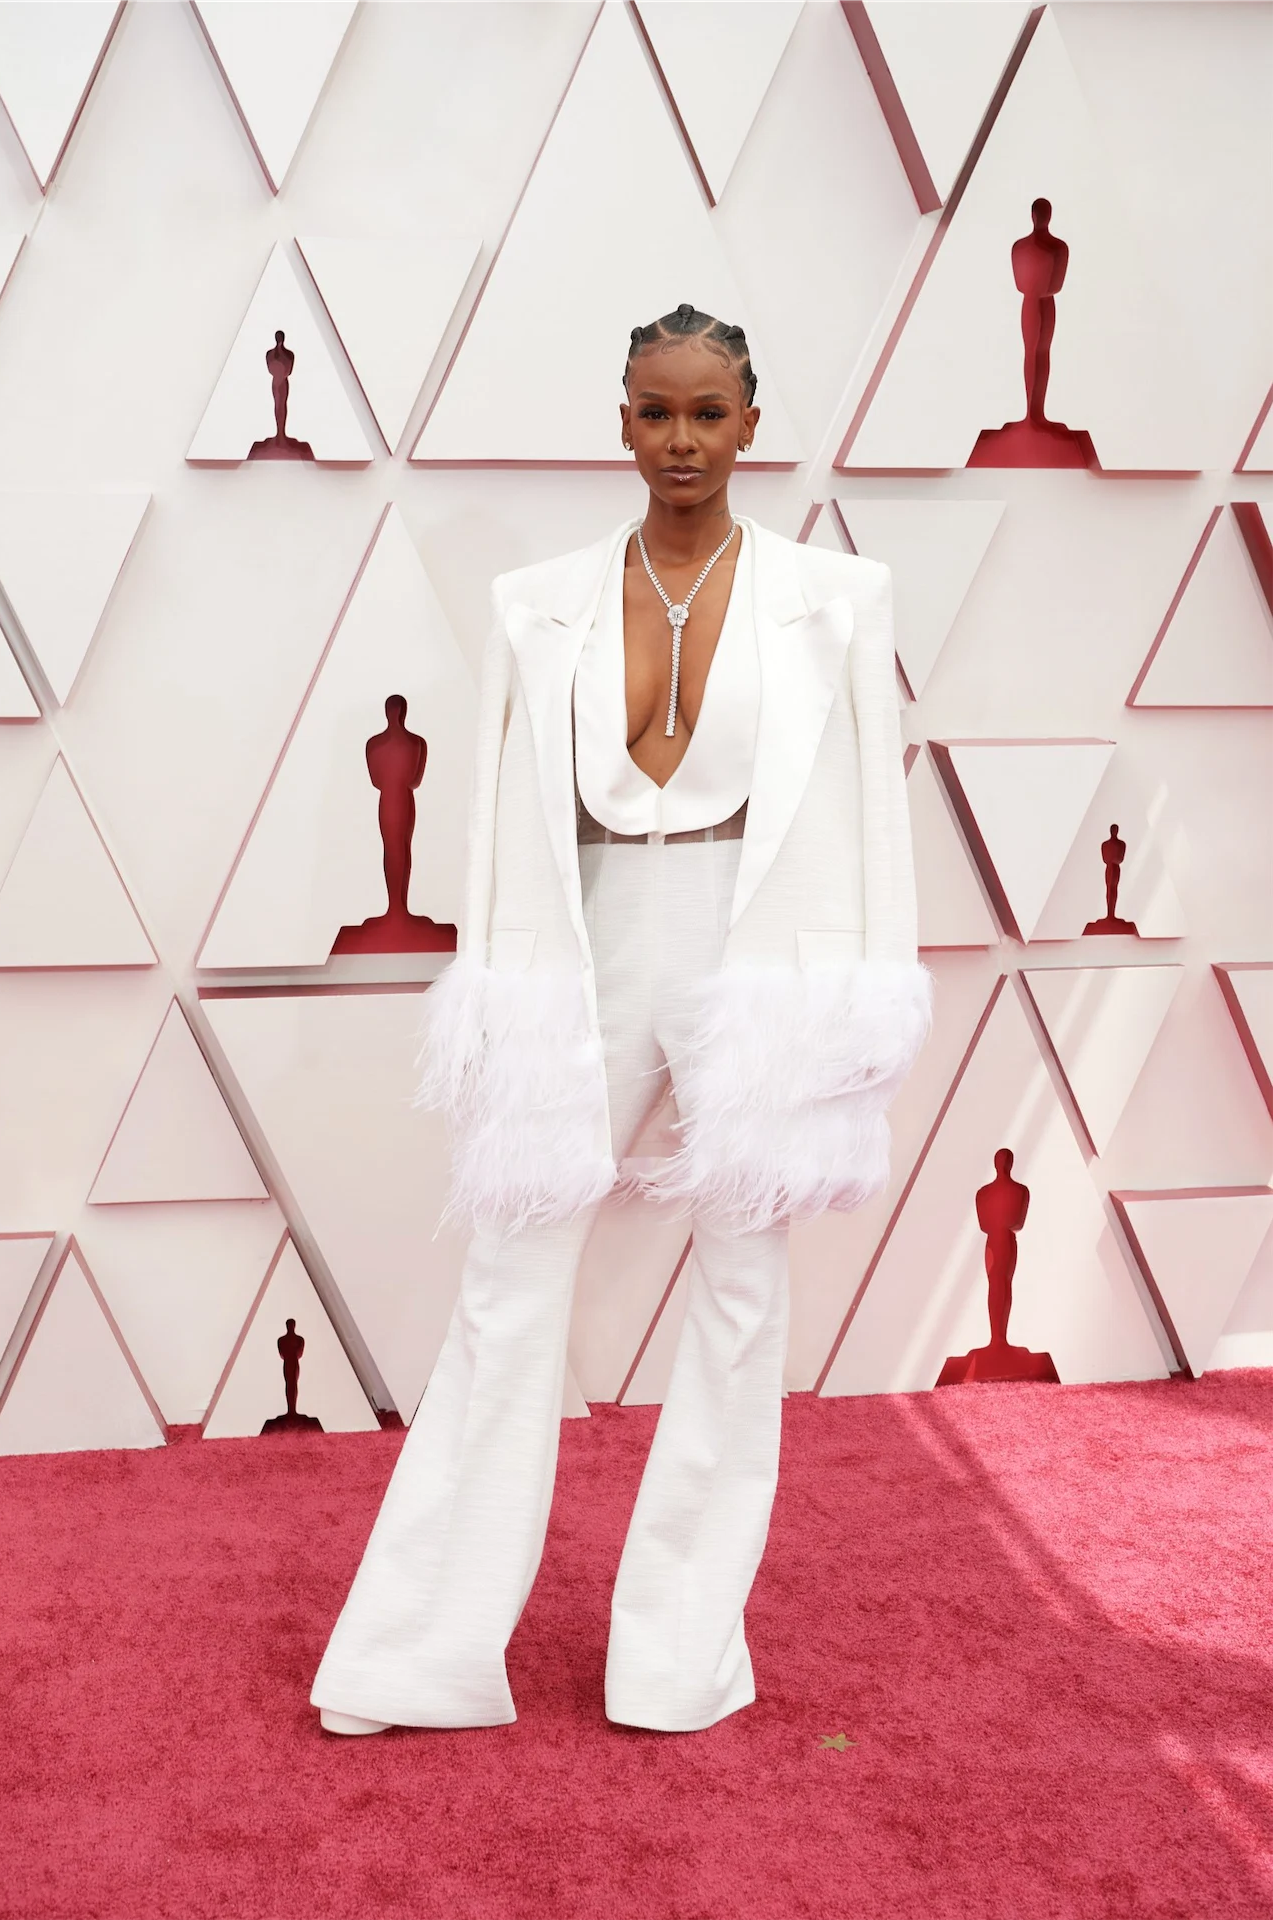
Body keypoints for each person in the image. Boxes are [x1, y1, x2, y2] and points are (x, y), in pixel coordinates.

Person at [309, 302, 931, 1737]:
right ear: (624, 423)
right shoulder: (538, 603)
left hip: (760, 948)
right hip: (586, 937)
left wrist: (865, 997)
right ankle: (418, 1653)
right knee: (509, 1284)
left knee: (741, 1292)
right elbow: (494, 823)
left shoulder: (841, 597)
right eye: (657, 412)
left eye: (709, 413)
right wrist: (500, 982)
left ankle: (676, 1658)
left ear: (752, 423)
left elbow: (873, 815)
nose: (683, 440)